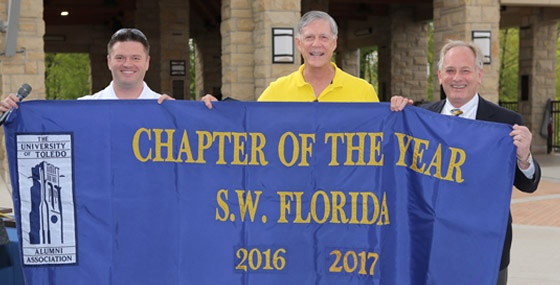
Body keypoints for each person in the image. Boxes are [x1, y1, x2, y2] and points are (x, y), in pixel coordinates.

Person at [392, 40, 541, 284]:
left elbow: (528, 185)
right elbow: (400, 173)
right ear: (440, 76)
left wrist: (524, 157)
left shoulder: (505, 122)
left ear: (479, 75)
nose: (457, 78)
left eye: (465, 70)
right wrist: (396, 116)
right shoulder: (421, 117)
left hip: (485, 247)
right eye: (450, 70)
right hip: (431, 243)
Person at [202, 11, 409, 110]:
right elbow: (248, 125)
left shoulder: (363, 91)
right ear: (299, 43)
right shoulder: (276, 91)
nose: (316, 44)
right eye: (309, 37)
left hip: (344, 192)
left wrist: (401, 111)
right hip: (293, 191)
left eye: (323, 38)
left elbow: (383, 138)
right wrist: (215, 111)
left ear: (334, 43)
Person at [0, 28, 173, 112]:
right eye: (120, 57)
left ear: (147, 62)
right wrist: (16, 112)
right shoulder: (83, 108)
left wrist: (194, 113)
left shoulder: (168, 108)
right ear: (109, 61)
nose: (127, 64)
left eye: (136, 58)